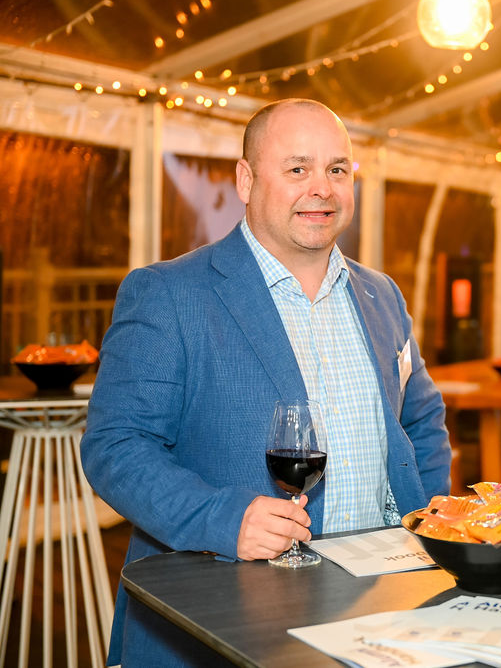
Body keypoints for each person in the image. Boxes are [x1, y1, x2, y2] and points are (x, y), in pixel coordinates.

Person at [81, 98, 451, 666]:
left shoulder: (382, 295)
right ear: (246, 181)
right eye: (297, 168)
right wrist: (223, 520)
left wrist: (429, 525)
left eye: (337, 169)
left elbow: (421, 421)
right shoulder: (169, 293)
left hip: (384, 610)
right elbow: (115, 447)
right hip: (228, 614)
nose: (322, 188)